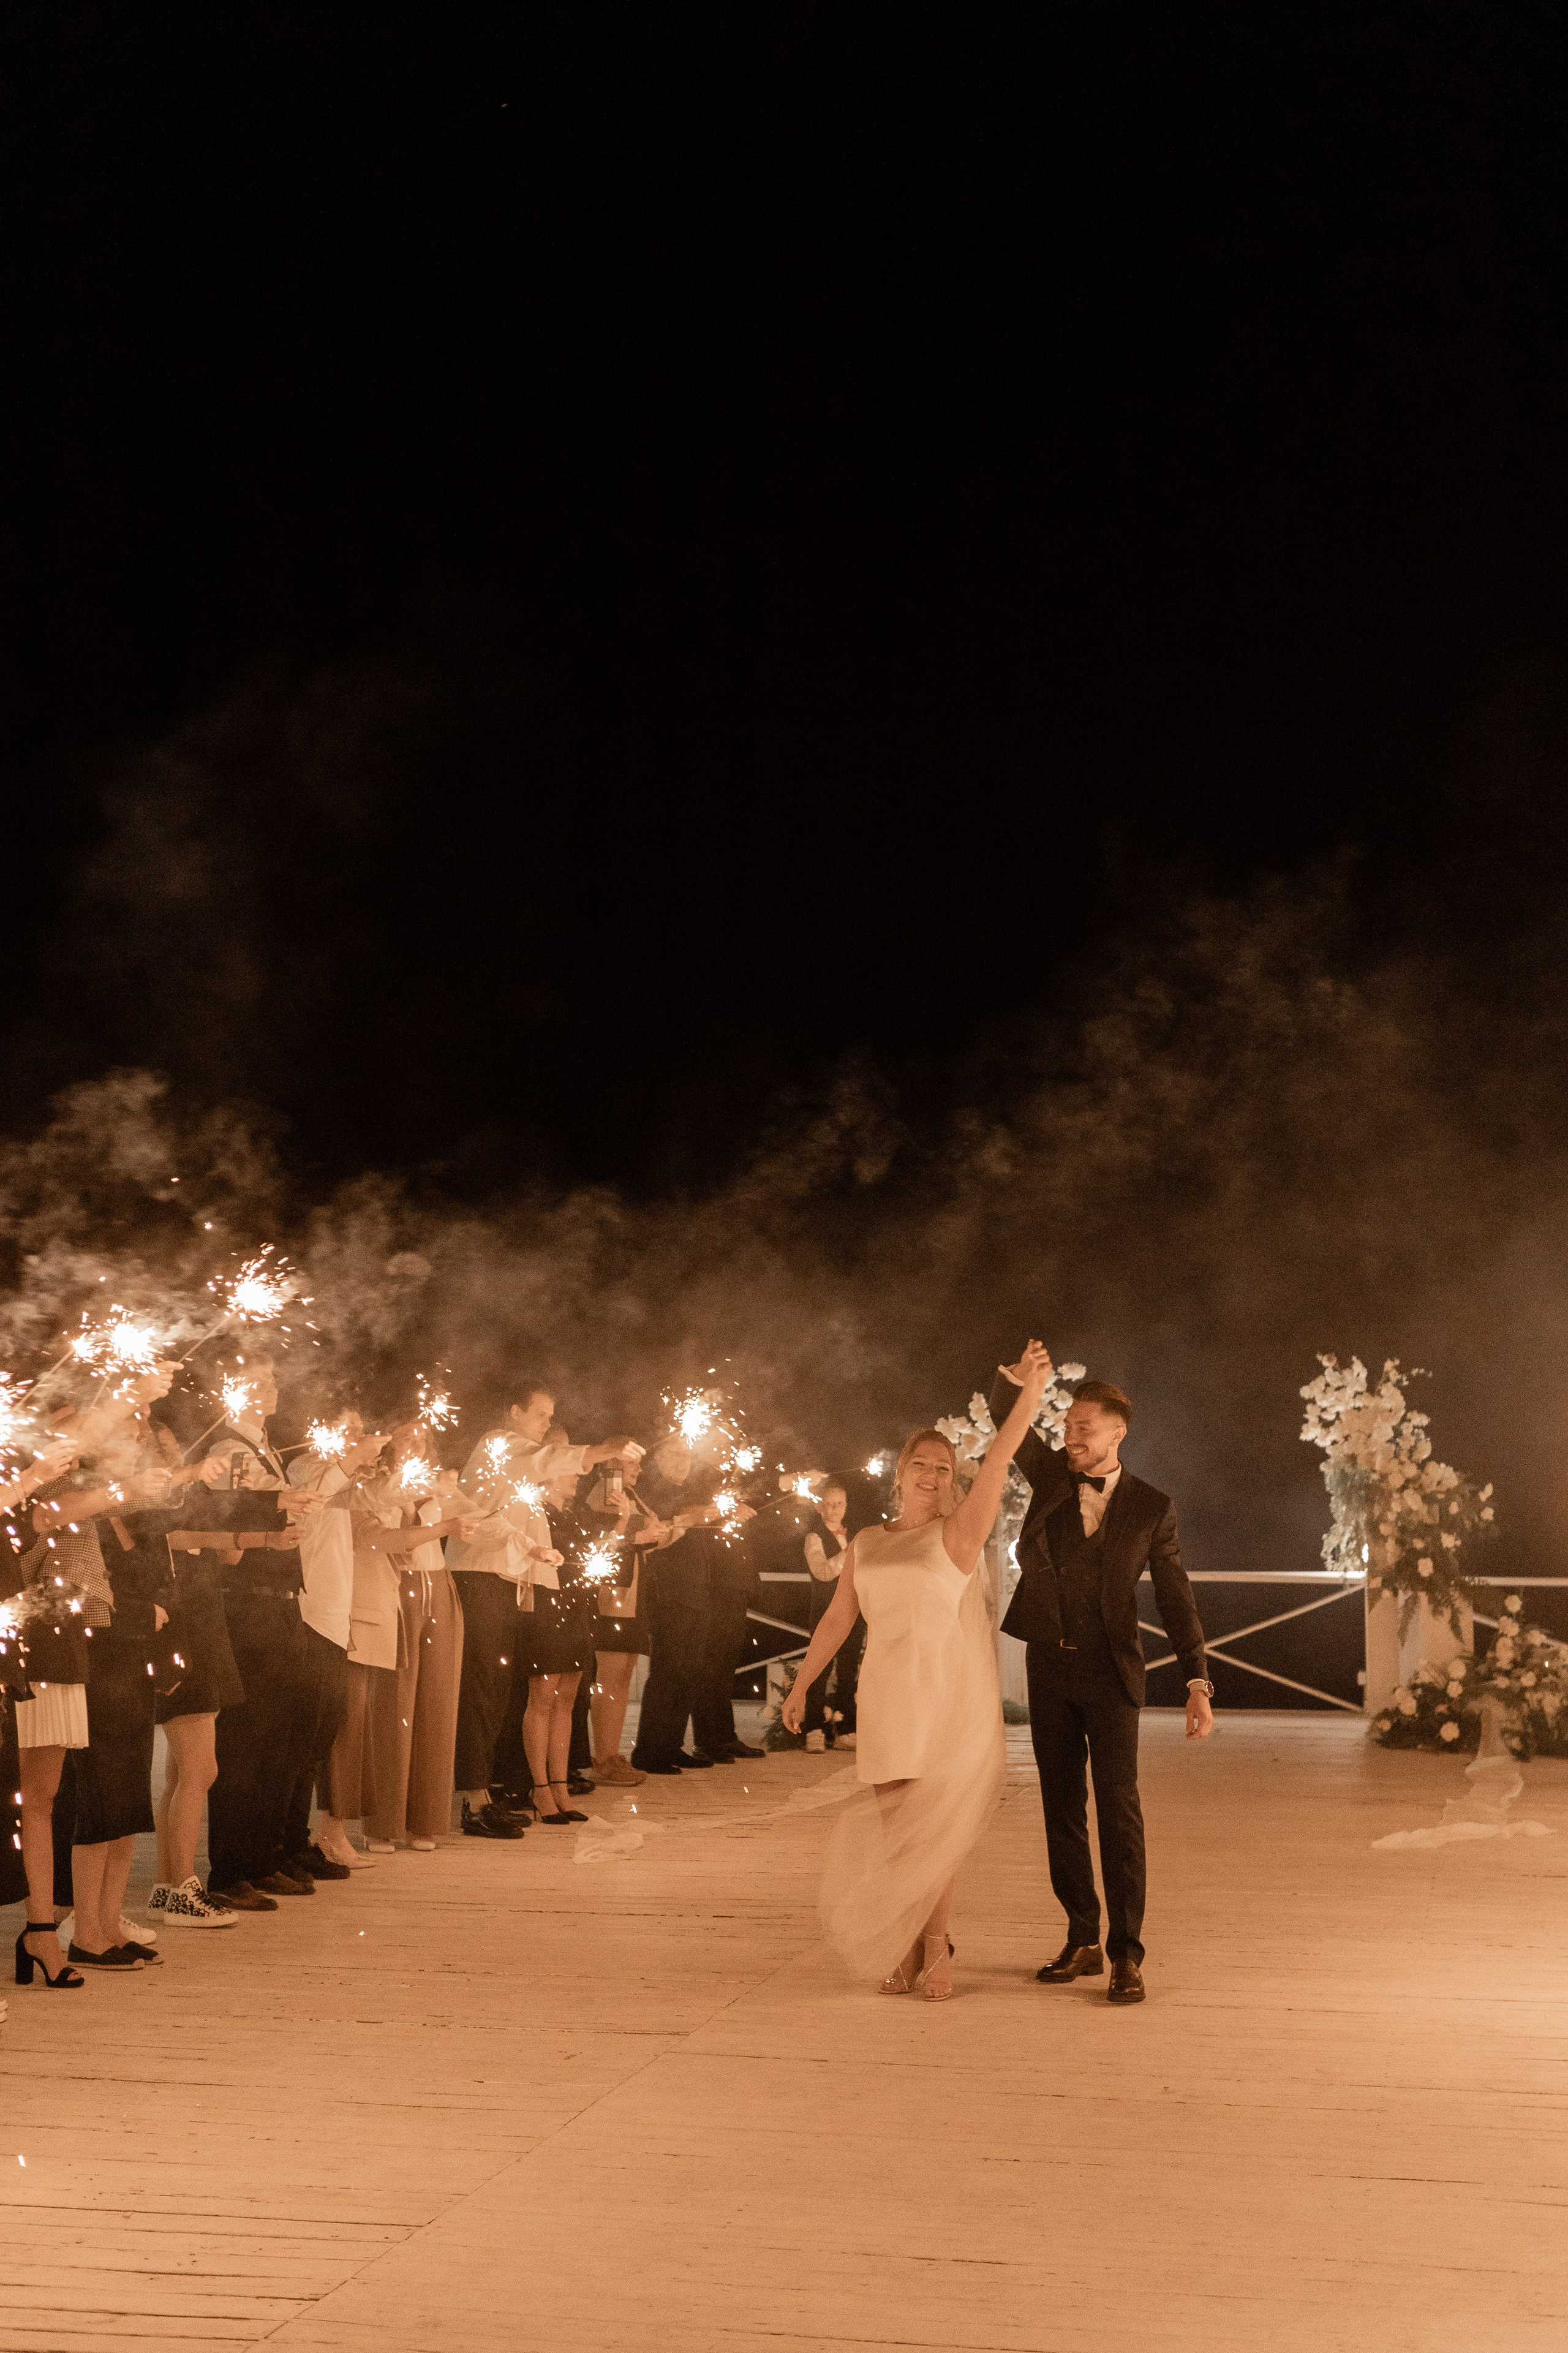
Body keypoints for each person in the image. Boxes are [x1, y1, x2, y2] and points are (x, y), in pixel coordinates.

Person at [783, 1339, 1055, 2001]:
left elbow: (998, 1459)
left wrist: (1028, 1397)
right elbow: (838, 1620)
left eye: (942, 1467)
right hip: (884, 1691)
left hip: (940, 1692)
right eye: (921, 1464)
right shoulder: (867, 1541)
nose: (932, 1475)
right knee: (897, 1832)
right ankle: (906, 1941)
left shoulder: (958, 1532)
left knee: (931, 1830)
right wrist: (801, 1683)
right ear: (900, 1472)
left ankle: (935, 1947)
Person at [988, 1358, 1213, 2007]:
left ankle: (1126, 1953)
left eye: (1082, 1426)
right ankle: (1082, 1935)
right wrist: (1012, 1380)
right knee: (1060, 1807)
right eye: (1066, 1423)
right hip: (1049, 1668)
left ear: (1117, 1433)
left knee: (1118, 1811)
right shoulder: (1050, 1476)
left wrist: (1198, 1680)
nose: (1069, 1435)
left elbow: (1175, 1598)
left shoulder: (1151, 1507)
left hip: (1112, 1673)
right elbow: (1009, 1418)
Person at [448, 1380, 634, 1835]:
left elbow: (536, 1533)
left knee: (497, 1692)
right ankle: (473, 1800)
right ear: (513, 1412)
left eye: (551, 1415)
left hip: (510, 1584)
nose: (548, 1422)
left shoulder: (521, 1472)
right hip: (480, 1579)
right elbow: (545, 1458)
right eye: (541, 1414)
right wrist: (597, 1451)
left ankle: (486, 1793)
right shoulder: (497, 1445)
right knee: (482, 1690)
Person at [195, 1356, 326, 1910]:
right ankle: (232, 1867)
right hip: (247, 1605)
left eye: (273, 1377)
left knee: (280, 1735)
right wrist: (273, 1523)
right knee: (247, 1740)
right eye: (257, 1380)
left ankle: (264, 1854)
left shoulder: (264, 1447)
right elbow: (220, 1524)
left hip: (280, 1604)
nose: (270, 1387)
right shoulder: (228, 1450)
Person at [148, 1417, 244, 1925]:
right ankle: (184, 1887)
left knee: (180, 1770)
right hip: (181, 1626)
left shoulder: (196, 1497)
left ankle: (168, 1884)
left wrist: (234, 1500)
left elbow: (230, 1554)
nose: (171, 1455)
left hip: (209, 1623)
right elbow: (172, 1537)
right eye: (160, 1448)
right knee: (201, 1768)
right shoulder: (152, 1502)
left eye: (172, 1446)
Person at [363, 1448, 470, 1851]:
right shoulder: (378, 1485)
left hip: (438, 1583)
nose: (419, 1446)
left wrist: (530, 1547)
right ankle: (383, 1823)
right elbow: (385, 1540)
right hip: (398, 1588)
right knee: (394, 1704)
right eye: (410, 1436)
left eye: (424, 1438)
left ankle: (425, 1820)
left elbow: (482, 1516)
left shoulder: (440, 1484)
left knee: (437, 1703)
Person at [628, 1437, 720, 1775]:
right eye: (676, 1455)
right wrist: (687, 1518)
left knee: (688, 1672)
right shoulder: (652, 1492)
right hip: (668, 1593)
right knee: (668, 1671)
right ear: (658, 1459)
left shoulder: (689, 1494)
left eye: (688, 1456)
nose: (684, 1462)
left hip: (696, 1592)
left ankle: (671, 1744)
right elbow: (657, 1534)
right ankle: (649, 1750)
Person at [799, 1479, 861, 1751]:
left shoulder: (856, 1535)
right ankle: (814, 1728)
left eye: (840, 1504)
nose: (835, 1509)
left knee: (849, 1671)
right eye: (830, 1504)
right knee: (819, 1668)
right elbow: (822, 1572)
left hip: (854, 1611)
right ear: (819, 1507)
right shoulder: (814, 1537)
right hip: (826, 1611)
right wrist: (850, 1552)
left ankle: (846, 1729)